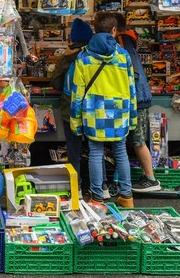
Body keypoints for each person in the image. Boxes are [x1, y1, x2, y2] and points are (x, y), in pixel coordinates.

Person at [71, 12, 137, 207]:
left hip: (94, 113)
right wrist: (132, 118)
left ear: (95, 29)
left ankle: (97, 197)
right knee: (120, 152)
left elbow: (77, 95)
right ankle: (126, 196)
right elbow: (131, 89)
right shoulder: (123, 57)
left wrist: (76, 123)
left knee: (95, 152)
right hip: (118, 112)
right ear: (114, 30)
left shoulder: (83, 57)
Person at [114, 13, 161, 192]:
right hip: (137, 96)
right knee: (132, 140)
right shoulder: (128, 39)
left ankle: (151, 178)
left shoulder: (123, 40)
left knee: (138, 140)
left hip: (137, 98)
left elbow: (131, 71)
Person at [50, 18, 94, 187]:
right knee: (95, 148)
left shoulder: (67, 58)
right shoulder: (96, 55)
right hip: (93, 107)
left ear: (73, 38)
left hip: (71, 108)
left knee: (73, 148)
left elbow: (55, 82)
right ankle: (99, 185)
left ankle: (76, 185)